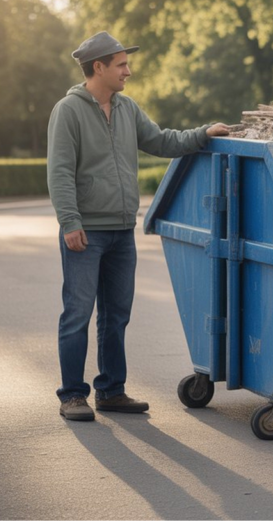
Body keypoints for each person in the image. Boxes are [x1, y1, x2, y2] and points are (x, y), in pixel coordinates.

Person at [47, 31, 230, 421]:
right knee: (77, 313)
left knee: (117, 314)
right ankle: (72, 396)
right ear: (99, 67)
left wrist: (202, 134)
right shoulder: (68, 110)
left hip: (121, 231)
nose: (128, 71)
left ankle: (111, 391)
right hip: (86, 231)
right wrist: (70, 222)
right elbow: (60, 172)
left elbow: (162, 141)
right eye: (121, 65)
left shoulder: (127, 109)